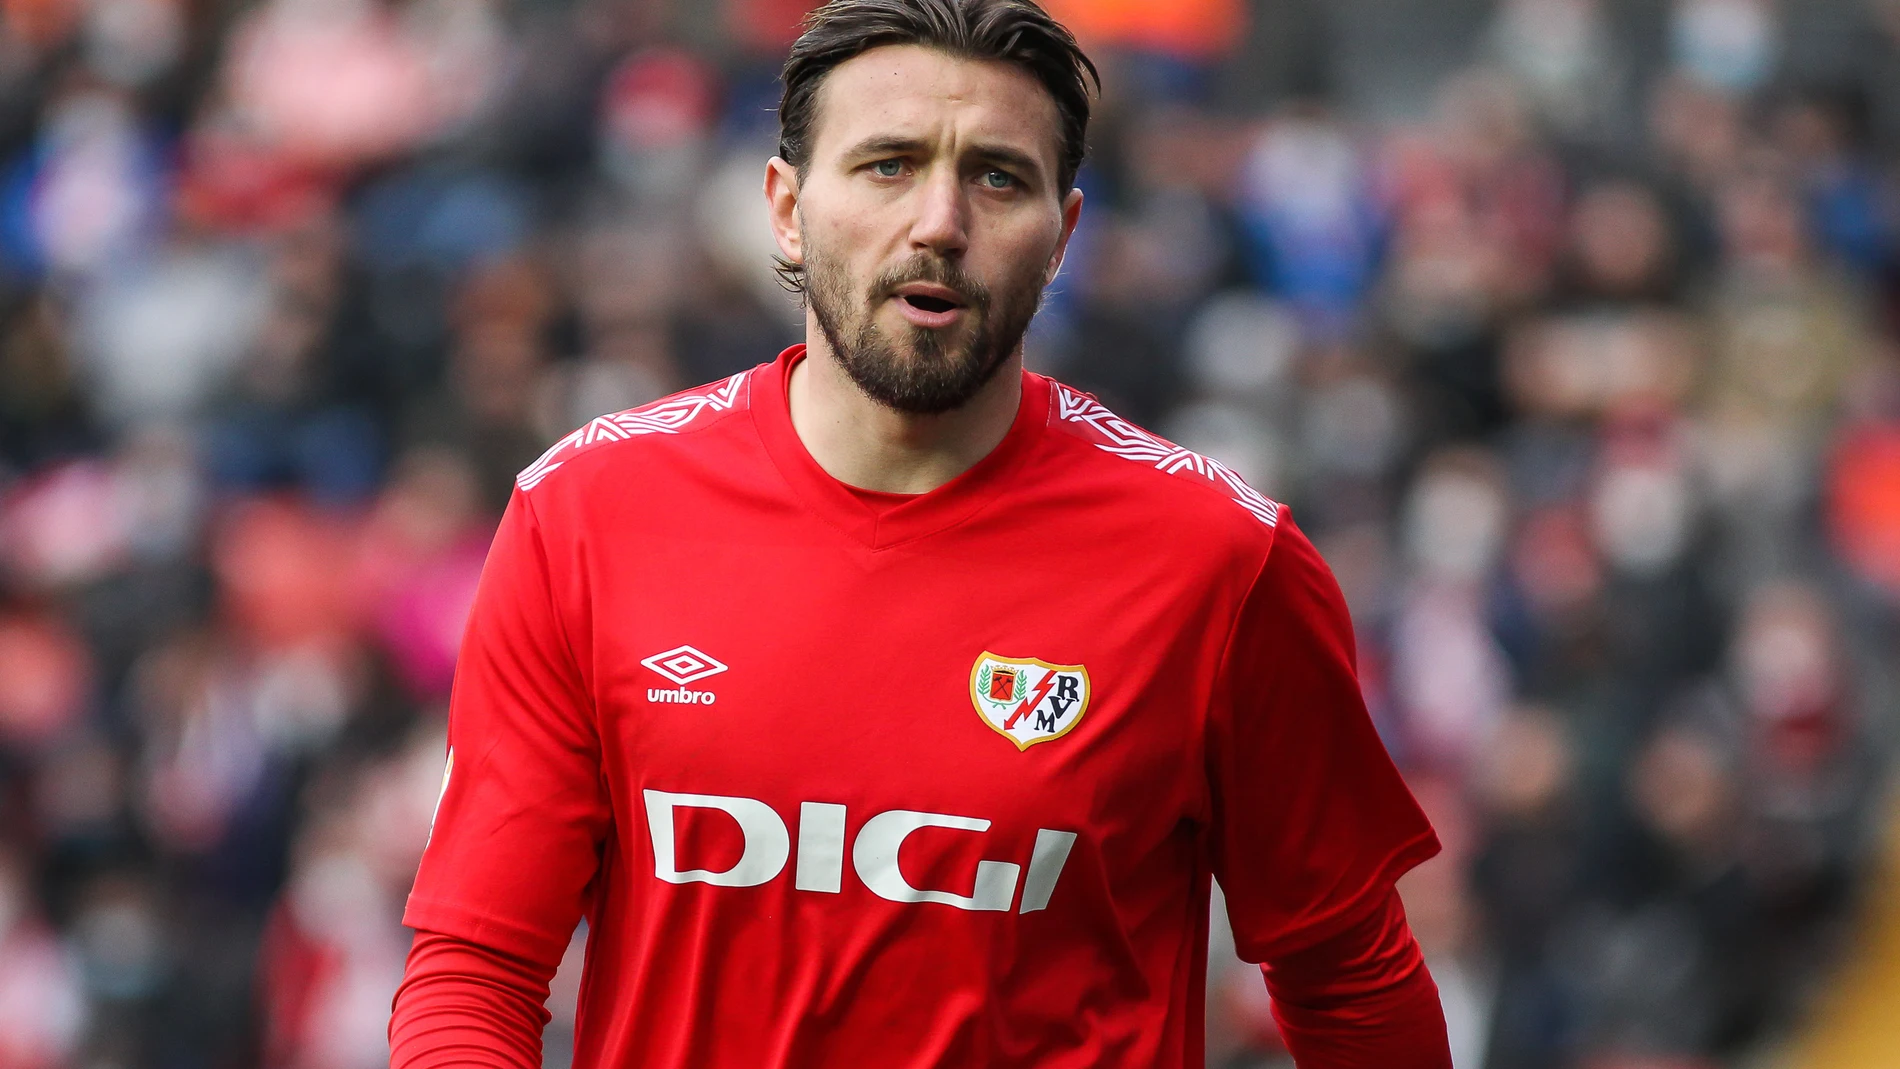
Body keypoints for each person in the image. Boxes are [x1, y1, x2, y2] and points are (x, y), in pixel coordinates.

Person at [387, 1, 1451, 1066]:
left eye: (997, 177)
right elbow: (476, 971)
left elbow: (1353, 987)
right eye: (888, 165)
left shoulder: (1220, 559)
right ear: (788, 209)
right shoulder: (587, 514)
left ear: (1063, 236)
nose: (940, 220)